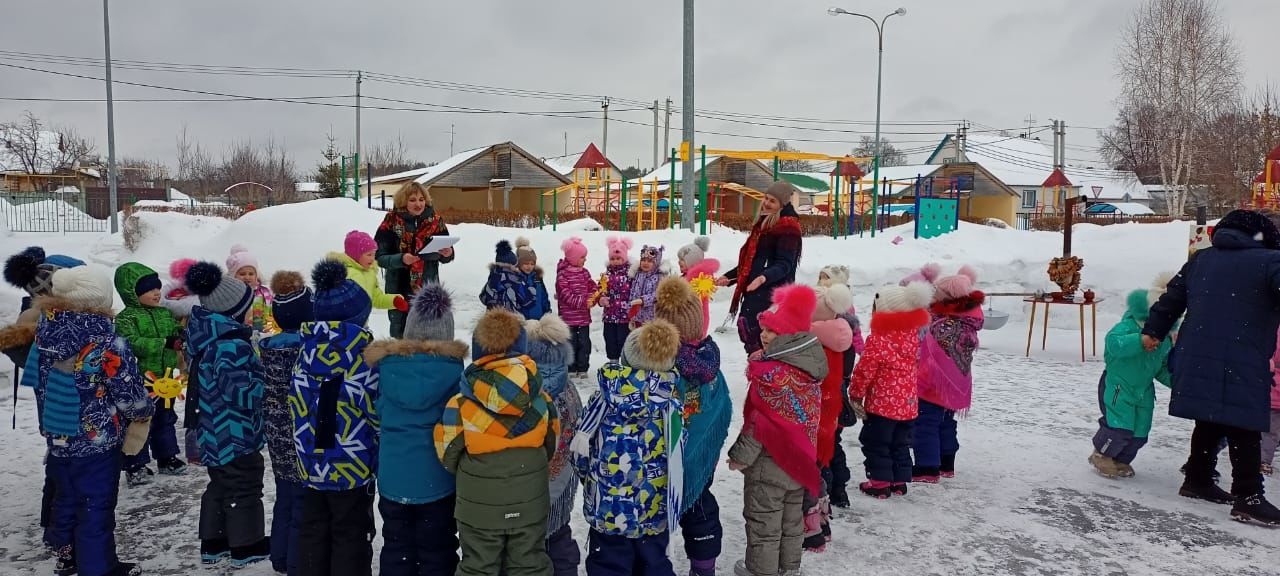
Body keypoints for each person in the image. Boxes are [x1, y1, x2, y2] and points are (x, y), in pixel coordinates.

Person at [1142, 209, 1280, 526]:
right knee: (1244, 422)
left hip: (1198, 351)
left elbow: (1171, 299)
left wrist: (1154, 330)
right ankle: (1249, 496)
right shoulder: (1270, 261)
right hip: (1242, 353)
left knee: (1212, 415)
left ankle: (1197, 477)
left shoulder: (1202, 259)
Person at [32, 265, 151, 576]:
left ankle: (67, 557)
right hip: (97, 440)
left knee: (66, 499)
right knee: (95, 505)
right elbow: (127, 391)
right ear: (101, 300)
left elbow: (38, 381)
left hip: (59, 435)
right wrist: (143, 411)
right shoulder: (106, 341)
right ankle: (98, 567)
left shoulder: (46, 333)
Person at [436, 308, 560, 576]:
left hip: (478, 508)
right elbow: (551, 443)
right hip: (529, 504)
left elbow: (447, 453)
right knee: (530, 565)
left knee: (477, 567)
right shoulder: (542, 401)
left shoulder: (459, 405)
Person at [572, 319, 684, 576]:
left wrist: (591, 482)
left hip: (609, 511)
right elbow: (678, 457)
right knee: (654, 566)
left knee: (608, 567)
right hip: (653, 512)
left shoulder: (602, 400)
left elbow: (580, 451)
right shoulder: (671, 406)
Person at [728, 284, 826, 576]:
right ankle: (788, 568)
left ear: (790, 338)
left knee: (764, 522)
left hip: (770, 464)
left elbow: (758, 423)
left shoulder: (772, 376)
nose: (764, 335)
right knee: (791, 522)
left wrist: (740, 456)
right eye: (765, 329)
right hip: (800, 460)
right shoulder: (807, 372)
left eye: (772, 332)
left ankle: (761, 571)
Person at [368, 284, 465, 576]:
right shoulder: (454, 373)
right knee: (438, 547)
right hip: (437, 479)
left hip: (394, 479)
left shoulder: (387, 368)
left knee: (396, 545)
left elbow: (379, 412)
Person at [291, 261, 379, 576]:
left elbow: (297, 400)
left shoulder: (306, 350)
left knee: (313, 528)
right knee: (350, 532)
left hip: (310, 460)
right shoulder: (364, 357)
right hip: (350, 464)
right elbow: (375, 412)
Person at [183, 261, 271, 567]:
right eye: (248, 306)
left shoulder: (205, 336)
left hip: (211, 430)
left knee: (219, 485)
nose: (251, 311)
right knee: (244, 486)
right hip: (234, 433)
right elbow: (241, 392)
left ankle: (214, 542)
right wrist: (267, 384)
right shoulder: (230, 346)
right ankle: (247, 546)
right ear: (233, 311)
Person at [1, 246, 85, 548]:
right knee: (65, 468)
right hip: (63, 406)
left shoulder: (46, 313)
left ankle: (55, 524)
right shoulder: (43, 317)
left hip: (57, 409)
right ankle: (59, 528)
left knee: (60, 463)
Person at [655, 276, 731, 576]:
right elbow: (721, 407)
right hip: (701, 459)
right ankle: (704, 566)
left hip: (662, 461)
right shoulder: (709, 360)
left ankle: (653, 560)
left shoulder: (658, 369)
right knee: (701, 510)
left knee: (659, 512)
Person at [849, 281, 934, 499]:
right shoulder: (913, 337)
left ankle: (879, 483)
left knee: (877, 443)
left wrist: (856, 394)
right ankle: (898, 481)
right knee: (900, 444)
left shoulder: (879, 339)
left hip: (882, 406)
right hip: (908, 405)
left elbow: (865, 370)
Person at [1089, 274, 1172, 480]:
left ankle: (1121, 459)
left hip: (1143, 390)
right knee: (1119, 427)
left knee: (1140, 432)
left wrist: (1177, 382)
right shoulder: (1126, 328)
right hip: (1118, 386)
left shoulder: (1164, 337)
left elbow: (1161, 366)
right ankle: (1102, 455)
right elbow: (1114, 345)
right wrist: (1139, 341)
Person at [257, 271, 312, 575]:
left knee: (284, 496)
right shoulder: (306, 350)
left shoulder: (266, 349)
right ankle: (295, 560)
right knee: (302, 500)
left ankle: (279, 555)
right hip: (301, 435)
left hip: (276, 434)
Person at [114, 262, 187, 485]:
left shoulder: (164, 313)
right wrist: (163, 343)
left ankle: (167, 457)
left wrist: (181, 335)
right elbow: (131, 343)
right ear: (132, 294)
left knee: (165, 418)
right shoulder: (127, 318)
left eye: (157, 288)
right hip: (140, 379)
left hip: (165, 379)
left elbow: (175, 333)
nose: (156, 293)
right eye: (148, 289)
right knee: (140, 421)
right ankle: (135, 464)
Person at [914, 266, 985, 483]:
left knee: (925, 423)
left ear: (948, 296)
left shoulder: (945, 323)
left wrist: (919, 381)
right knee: (946, 421)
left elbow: (930, 356)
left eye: (938, 291)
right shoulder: (966, 320)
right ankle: (946, 463)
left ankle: (927, 467)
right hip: (955, 384)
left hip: (934, 385)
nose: (933, 293)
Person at [525, 313, 583, 576]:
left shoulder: (517, 394)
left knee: (523, 550)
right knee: (559, 540)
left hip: (521, 492)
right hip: (560, 486)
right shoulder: (569, 392)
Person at [717, 181, 804, 354]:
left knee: (767, 342)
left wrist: (763, 277)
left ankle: (767, 377)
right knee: (751, 337)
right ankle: (758, 375)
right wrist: (730, 277)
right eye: (765, 198)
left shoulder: (788, 227)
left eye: (772, 201)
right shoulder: (764, 224)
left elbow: (784, 264)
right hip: (754, 292)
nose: (766, 203)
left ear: (783, 204)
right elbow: (753, 261)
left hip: (771, 296)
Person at [805, 283, 854, 552]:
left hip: (811, 412)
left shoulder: (812, 340)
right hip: (829, 410)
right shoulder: (840, 336)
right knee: (822, 463)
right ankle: (822, 523)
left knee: (807, 472)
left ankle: (812, 529)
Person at [374, 182, 455, 338]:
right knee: (402, 337)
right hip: (399, 289)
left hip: (427, 290)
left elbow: (447, 254)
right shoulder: (390, 221)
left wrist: (448, 253)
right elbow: (379, 256)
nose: (418, 204)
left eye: (421, 199)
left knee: (430, 336)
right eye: (412, 200)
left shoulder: (436, 221)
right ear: (403, 202)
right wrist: (401, 259)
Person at [816, 265, 863, 506]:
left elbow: (852, 344)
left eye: (827, 279)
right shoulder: (839, 322)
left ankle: (831, 490)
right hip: (837, 389)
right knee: (832, 441)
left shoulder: (833, 318)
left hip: (828, 392)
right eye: (820, 277)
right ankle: (838, 489)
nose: (822, 281)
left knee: (826, 444)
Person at [330, 230, 409, 316]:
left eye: (374, 254)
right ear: (355, 255)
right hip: (343, 324)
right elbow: (334, 302)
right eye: (369, 255)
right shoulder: (344, 273)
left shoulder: (369, 273)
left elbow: (376, 299)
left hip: (361, 323)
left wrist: (394, 301)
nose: (372, 258)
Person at [556, 236, 597, 377]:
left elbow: (592, 287)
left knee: (584, 344)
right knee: (571, 344)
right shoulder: (562, 275)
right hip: (569, 319)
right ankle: (571, 368)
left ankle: (583, 367)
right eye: (582, 257)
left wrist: (594, 296)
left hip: (583, 318)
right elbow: (566, 295)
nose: (585, 260)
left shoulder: (585, 273)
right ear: (573, 258)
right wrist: (583, 302)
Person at [226, 245, 277, 336]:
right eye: (242, 274)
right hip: (242, 334)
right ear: (234, 275)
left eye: (251, 274)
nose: (247, 277)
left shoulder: (264, 291)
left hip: (265, 333)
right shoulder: (232, 295)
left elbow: (271, 310)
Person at [601, 236, 634, 361]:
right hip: (609, 315)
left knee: (623, 339)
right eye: (612, 259)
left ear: (624, 258)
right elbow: (601, 290)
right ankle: (613, 360)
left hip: (624, 316)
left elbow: (634, 290)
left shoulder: (630, 274)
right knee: (610, 338)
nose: (615, 261)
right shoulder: (606, 274)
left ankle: (625, 361)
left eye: (618, 258)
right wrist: (602, 298)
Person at [480, 240, 535, 313]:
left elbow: (483, 298)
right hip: (510, 320)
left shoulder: (492, 279)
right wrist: (532, 292)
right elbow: (528, 302)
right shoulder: (516, 281)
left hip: (491, 318)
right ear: (512, 266)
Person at [628, 245, 669, 328]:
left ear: (656, 263)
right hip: (637, 316)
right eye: (643, 260)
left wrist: (643, 300)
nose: (645, 263)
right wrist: (631, 310)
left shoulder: (659, 277)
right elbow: (633, 291)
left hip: (651, 318)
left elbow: (658, 294)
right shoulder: (638, 274)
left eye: (650, 261)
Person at [515, 237, 553, 321]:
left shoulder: (537, 278)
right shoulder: (515, 278)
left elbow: (543, 296)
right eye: (526, 263)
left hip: (538, 320)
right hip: (522, 321)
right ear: (518, 263)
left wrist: (547, 312)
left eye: (532, 264)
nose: (529, 267)